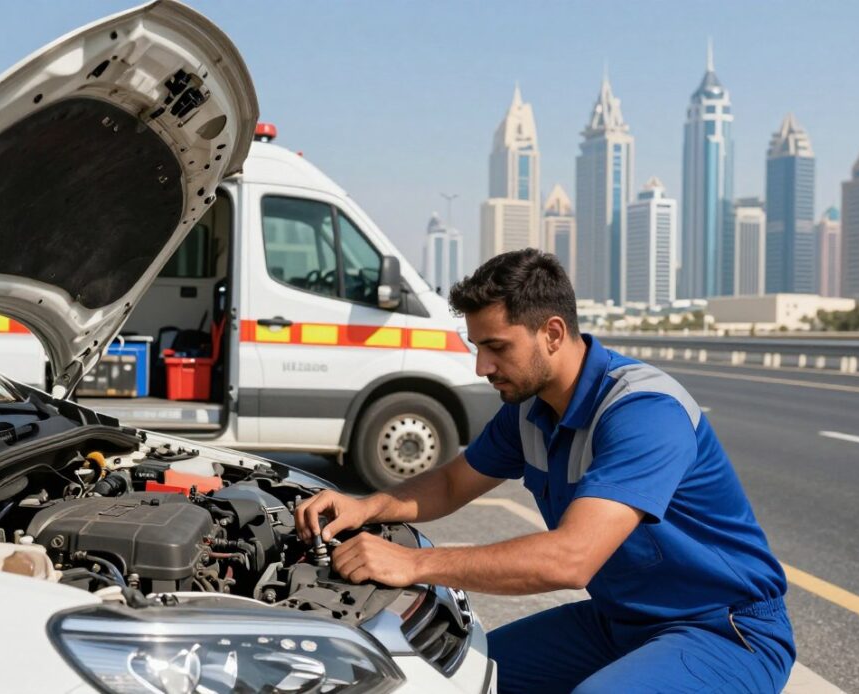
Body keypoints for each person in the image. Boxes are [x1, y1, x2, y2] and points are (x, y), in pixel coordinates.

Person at [294, 248, 796, 692]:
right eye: (477, 348)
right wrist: (367, 506)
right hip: (618, 620)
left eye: (497, 347)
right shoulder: (530, 410)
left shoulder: (644, 413)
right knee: (456, 676)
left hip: (724, 630)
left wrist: (413, 564)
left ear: (552, 333)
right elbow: (451, 482)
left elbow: (569, 560)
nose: (481, 367)